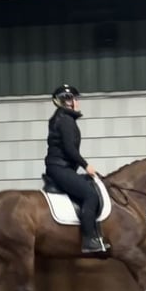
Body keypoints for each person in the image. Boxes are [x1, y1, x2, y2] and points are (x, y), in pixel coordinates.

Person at [44, 84, 110, 255]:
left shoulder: (63, 118)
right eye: (73, 98)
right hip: (60, 168)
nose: (76, 101)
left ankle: (96, 235)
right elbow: (70, 149)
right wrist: (86, 165)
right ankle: (89, 240)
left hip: (61, 167)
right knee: (90, 195)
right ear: (66, 102)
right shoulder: (64, 120)